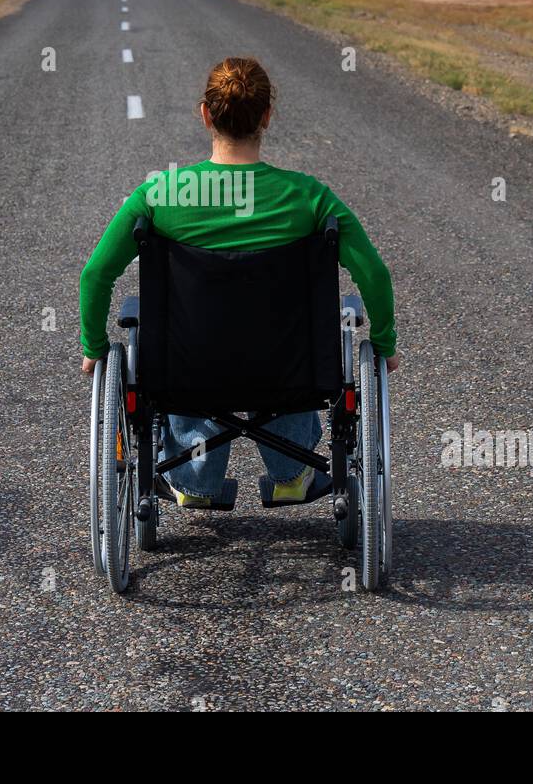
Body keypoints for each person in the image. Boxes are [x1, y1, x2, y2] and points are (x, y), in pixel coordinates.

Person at [79, 57, 397, 508]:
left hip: (187, 374)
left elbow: (96, 275)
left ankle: (193, 481)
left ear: (206, 114)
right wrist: (384, 344)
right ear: (267, 116)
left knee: (186, 348)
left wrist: (94, 347)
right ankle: (294, 473)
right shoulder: (310, 198)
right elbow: (375, 275)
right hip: (289, 375)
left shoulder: (160, 195)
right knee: (286, 349)